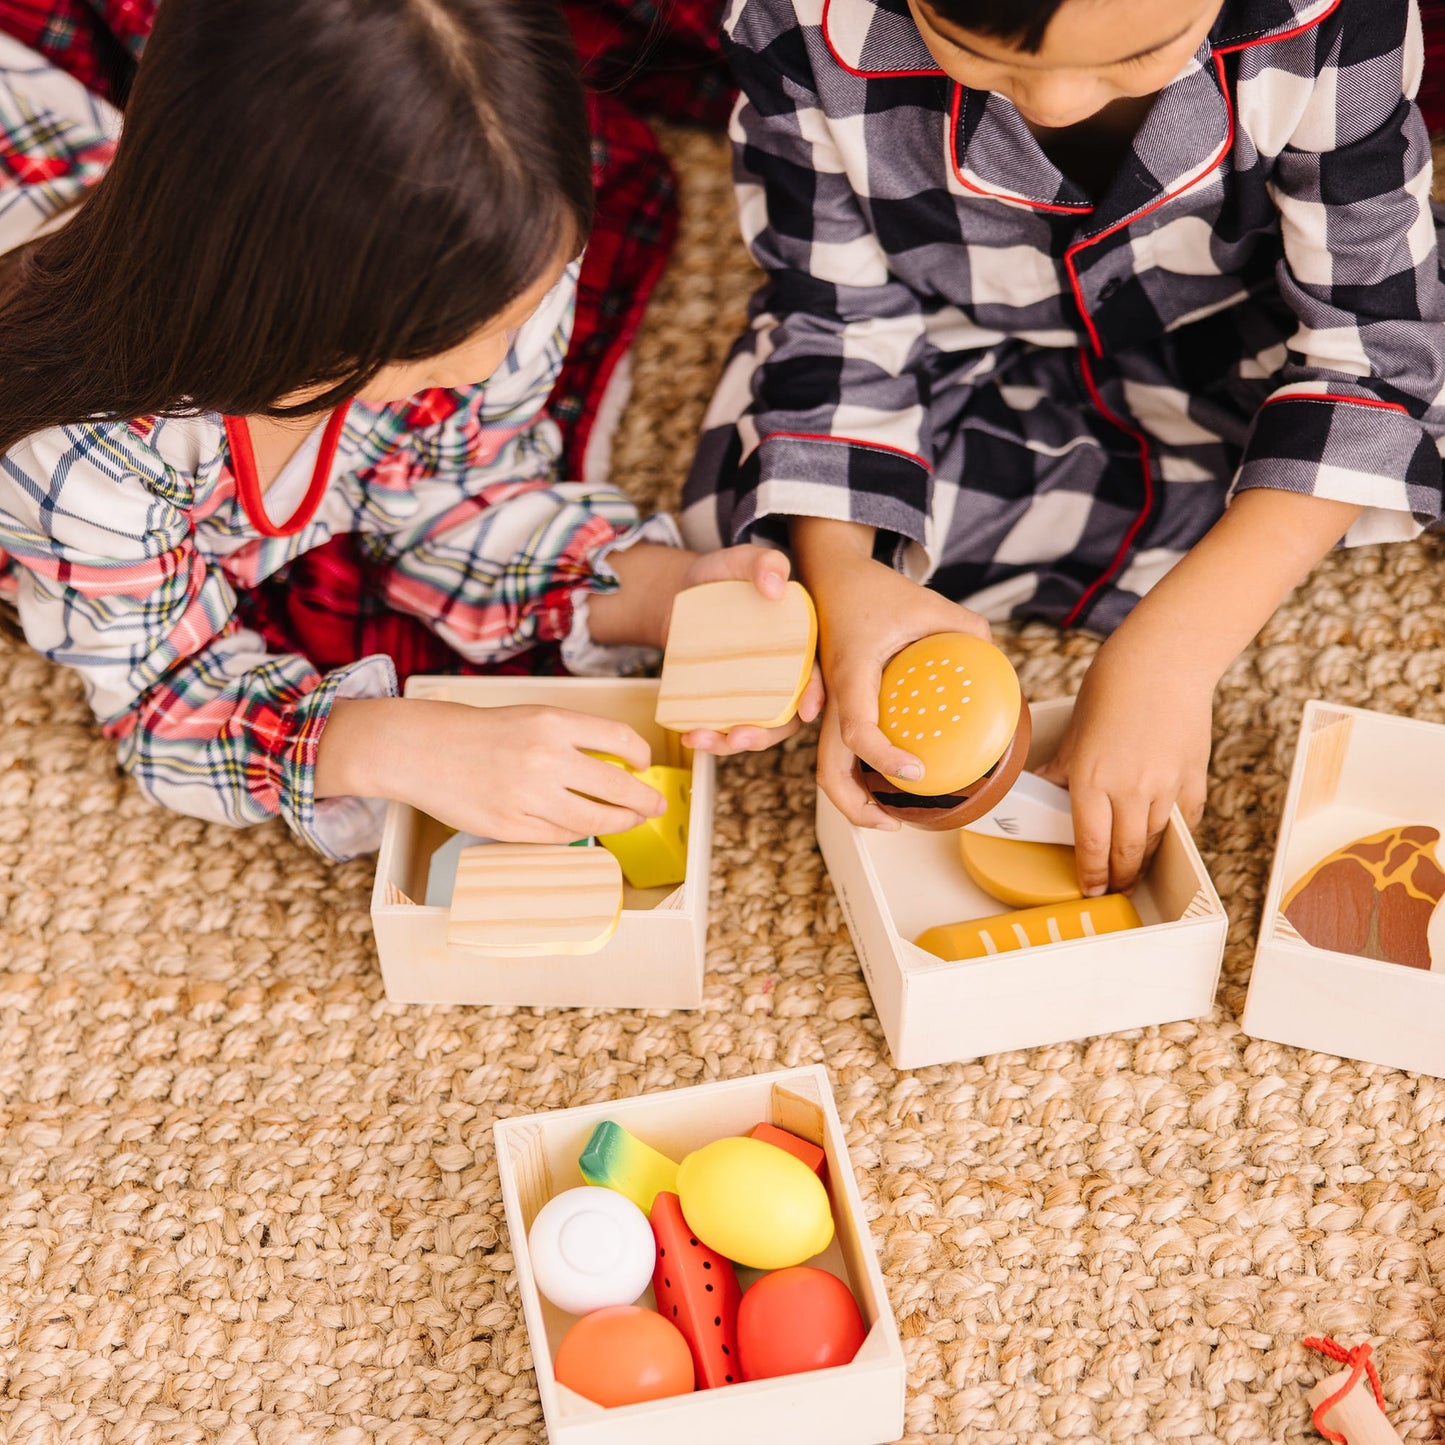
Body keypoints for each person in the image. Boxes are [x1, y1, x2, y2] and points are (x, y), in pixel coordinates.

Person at [0, 0, 811, 861]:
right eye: (447, 344)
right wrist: (395, 742)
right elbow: (163, 698)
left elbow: (452, 492)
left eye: (536, 296)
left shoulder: (509, 250)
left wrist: (662, 594)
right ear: (292, 319)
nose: (503, 354)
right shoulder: (84, 461)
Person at [686, 0, 1445, 894]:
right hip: (964, 344)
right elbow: (836, 318)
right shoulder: (790, 19)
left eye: (1135, 56)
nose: (1054, 106)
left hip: (1243, 337)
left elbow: (1372, 352)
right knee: (740, 538)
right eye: (975, 53)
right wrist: (845, 575)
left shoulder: (1335, 17)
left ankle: (1225, 536)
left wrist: (1169, 654)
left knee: (1406, 389)